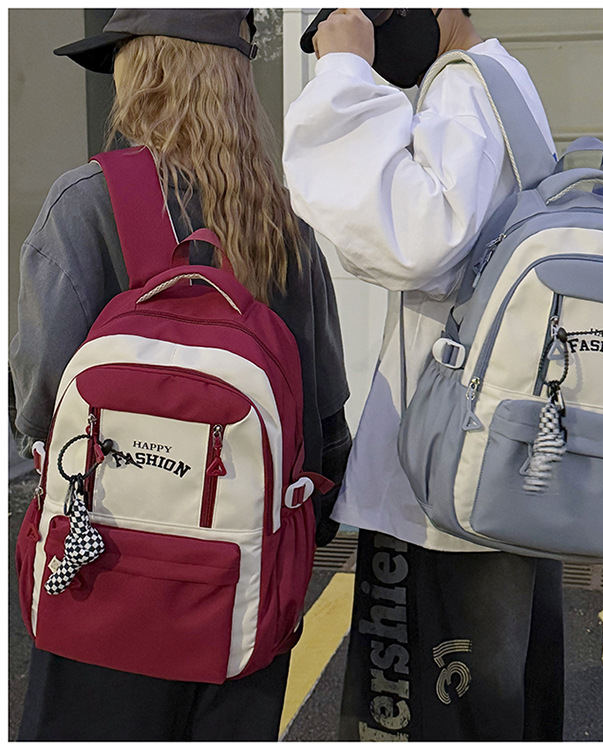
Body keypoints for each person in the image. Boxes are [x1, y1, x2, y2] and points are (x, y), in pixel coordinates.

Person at [9, 8, 350, 741]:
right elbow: (324, 424)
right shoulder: (282, 221)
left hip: (99, 570)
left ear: (147, 70)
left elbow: (39, 412)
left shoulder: (84, 205)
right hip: (239, 589)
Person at [283, 8, 564, 741]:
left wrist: (344, 74)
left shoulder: (465, 87)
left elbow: (414, 239)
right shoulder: (499, 80)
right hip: (493, 455)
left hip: (448, 472)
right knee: (499, 695)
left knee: (429, 699)